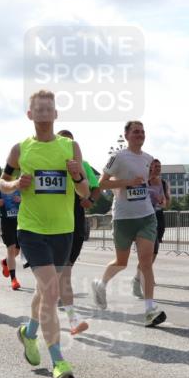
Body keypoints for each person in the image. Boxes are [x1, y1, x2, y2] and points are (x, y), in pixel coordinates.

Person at [0, 90, 90, 378]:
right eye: (37, 108)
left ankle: (28, 333)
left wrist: (77, 176)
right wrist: (15, 184)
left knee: (43, 291)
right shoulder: (20, 149)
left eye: (48, 107)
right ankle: (58, 361)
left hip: (63, 231)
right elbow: (2, 183)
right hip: (31, 229)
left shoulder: (70, 146)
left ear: (55, 114)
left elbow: (85, 193)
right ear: (30, 115)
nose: (43, 111)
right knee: (51, 292)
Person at [91, 121, 167, 327]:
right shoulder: (118, 157)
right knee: (121, 262)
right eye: (135, 132)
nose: (140, 135)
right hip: (124, 218)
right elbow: (102, 183)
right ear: (126, 135)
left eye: (142, 132)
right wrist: (126, 183)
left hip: (146, 216)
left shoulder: (148, 159)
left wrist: (156, 191)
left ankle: (150, 309)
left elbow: (145, 184)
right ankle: (101, 284)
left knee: (145, 262)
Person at [56, 130, 101, 334]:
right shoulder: (49, 165)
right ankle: (38, 326)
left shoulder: (83, 165)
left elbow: (97, 187)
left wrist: (90, 199)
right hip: (51, 227)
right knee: (57, 275)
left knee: (65, 271)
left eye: (69, 142)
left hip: (75, 225)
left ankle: (70, 319)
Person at [133, 158, 170, 298]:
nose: (157, 169)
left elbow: (166, 203)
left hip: (158, 217)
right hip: (144, 218)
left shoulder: (164, 183)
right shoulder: (142, 181)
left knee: (153, 252)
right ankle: (139, 281)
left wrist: (162, 201)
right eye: (155, 166)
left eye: (159, 166)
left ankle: (138, 277)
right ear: (149, 168)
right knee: (146, 254)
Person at [0, 182, 23, 291]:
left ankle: (5, 262)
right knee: (11, 249)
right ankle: (14, 279)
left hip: (21, 221)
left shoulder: (21, 185)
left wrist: (21, 200)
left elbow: (33, 200)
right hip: (6, 222)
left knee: (17, 251)